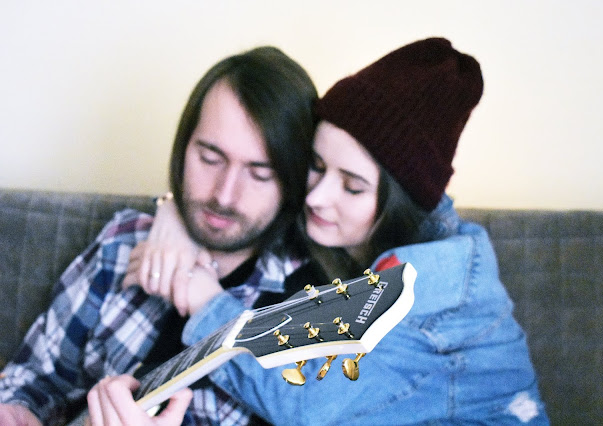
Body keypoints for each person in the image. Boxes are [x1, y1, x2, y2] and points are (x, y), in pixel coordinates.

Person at [88, 38, 550, 424]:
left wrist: (208, 304)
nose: (316, 197)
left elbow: (304, 405)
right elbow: (236, 203)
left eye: (352, 186)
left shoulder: (427, 291)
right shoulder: (351, 233)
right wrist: (174, 216)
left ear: (400, 202)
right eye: (317, 165)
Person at [0, 45, 320, 425]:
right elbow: (38, 376)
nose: (224, 195)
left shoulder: (308, 299)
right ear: (183, 148)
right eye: (210, 158)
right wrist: (19, 410)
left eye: (259, 174)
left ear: (293, 179)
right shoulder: (126, 241)